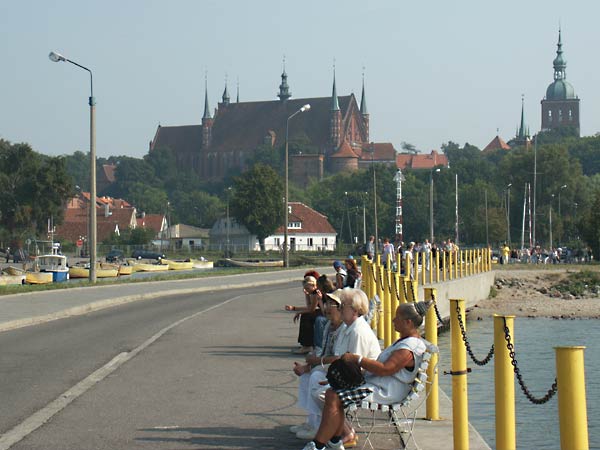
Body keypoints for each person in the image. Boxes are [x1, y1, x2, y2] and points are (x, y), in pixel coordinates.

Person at [301, 300, 433, 450]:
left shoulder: (409, 348)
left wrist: (357, 359)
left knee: (334, 396)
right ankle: (333, 441)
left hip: (385, 391)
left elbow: (385, 369)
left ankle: (319, 445)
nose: (393, 320)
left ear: (408, 322)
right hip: (380, 385)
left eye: (397, 317)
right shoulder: (407, 342)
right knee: (333, 393)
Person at [297, 288, 381, 444]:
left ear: (355, 310)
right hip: (352, 376)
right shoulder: (349, 328)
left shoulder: (358, 331)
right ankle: (342, 431)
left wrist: (331, 381)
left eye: (343, 306)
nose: (340, 308)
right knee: (317, 384)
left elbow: (354, 367)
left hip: (364, 381)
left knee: (322, 392)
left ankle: (340, 432)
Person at [291, 290, 345, 440]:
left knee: (315, 377)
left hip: (342, 373)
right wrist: (308, 365)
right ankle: (311, 421)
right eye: (326, 303)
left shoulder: (344, 329)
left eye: (331, 304)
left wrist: (314, 363)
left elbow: (338, 358)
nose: (327, 308)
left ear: (341, 308)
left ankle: (318, 426)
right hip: (330, 367)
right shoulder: (329, 326)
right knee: (306, 376)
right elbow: (323, 353)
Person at [285, 276, 323, 354]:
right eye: (305, 289)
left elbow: (311, 309)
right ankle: (305, 344)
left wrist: (299, 312)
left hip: (323, 312)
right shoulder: (312, 293)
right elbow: (309, 306)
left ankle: (308, 345)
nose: (307, 290)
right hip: (318, 311)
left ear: (313, 286)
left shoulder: (316, 293)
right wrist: (295, 308)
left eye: (308, 288)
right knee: (306, 316)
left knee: (306, 317)